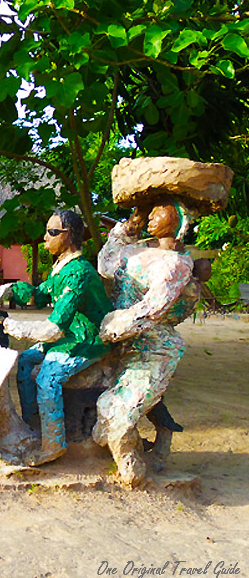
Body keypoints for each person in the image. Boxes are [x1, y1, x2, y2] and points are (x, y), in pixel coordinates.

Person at [0, 210, 113, 465]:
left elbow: (53, 329)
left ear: (69, 236)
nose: (45, 238)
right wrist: (0, 291)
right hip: (69, 336)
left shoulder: (79, 273)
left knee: (48, 379)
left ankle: (53, 443)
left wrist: (9, 324)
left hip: (86, 340)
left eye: (52, 232)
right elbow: (38, 295)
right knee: (24, 362)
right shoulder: (61, 268)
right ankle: (33, 424)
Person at [94, 198, 200, 485]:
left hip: (154, 345)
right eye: (149, 209)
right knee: (104, 406)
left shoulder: (176, 264)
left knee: (119, 409)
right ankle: (140, 450)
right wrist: (127, 228)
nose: (151, 215)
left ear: (178, 218)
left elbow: (153, 307)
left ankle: (133, 470)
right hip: (120, 342)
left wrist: (112, 327)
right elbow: (105, 265)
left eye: (160, 210)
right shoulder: (135, 250)